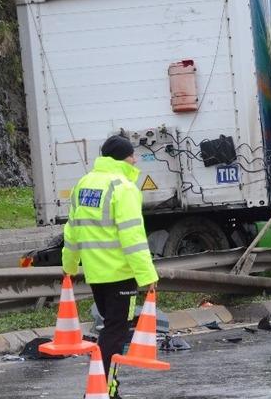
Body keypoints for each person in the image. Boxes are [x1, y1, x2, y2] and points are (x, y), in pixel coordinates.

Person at [62, 135, 158, 397]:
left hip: (95, 273)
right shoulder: (124, 188)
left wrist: (69, 265)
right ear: (122, 158)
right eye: (131, 155)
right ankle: (101, 388)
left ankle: (105, 388)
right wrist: (147, 276)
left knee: (110, 329)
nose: (135, 160)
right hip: (120, 273)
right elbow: (133, 238)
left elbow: (72, 231)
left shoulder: (83, 184)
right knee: (115, 333)